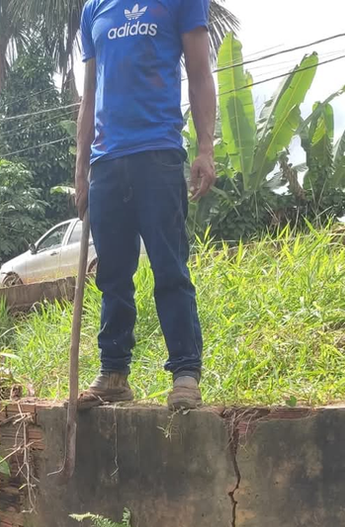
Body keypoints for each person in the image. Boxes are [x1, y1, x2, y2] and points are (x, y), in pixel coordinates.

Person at [76, 0, 217, 410]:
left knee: (169, 268)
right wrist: (81, 168)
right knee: (112, 277)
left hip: (158, 153)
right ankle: (114, 373)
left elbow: (200, 73)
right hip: (106, 164)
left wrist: (205, 147)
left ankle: (186, 374)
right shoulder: (94, 9)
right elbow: (90, 94)